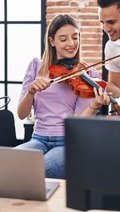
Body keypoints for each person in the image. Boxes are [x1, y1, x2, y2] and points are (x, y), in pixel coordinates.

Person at [16, 14, 110, 179]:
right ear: (52, 41)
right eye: (63, 39)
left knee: (38, 172)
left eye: (75, 37)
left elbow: (77, 123)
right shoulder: (36, 66)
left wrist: (95, 105)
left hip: (67, 143)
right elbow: (21, 114)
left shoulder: (86, 73)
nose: (71, 44)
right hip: (38, 139)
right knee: (9, 163)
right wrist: (31, 91)